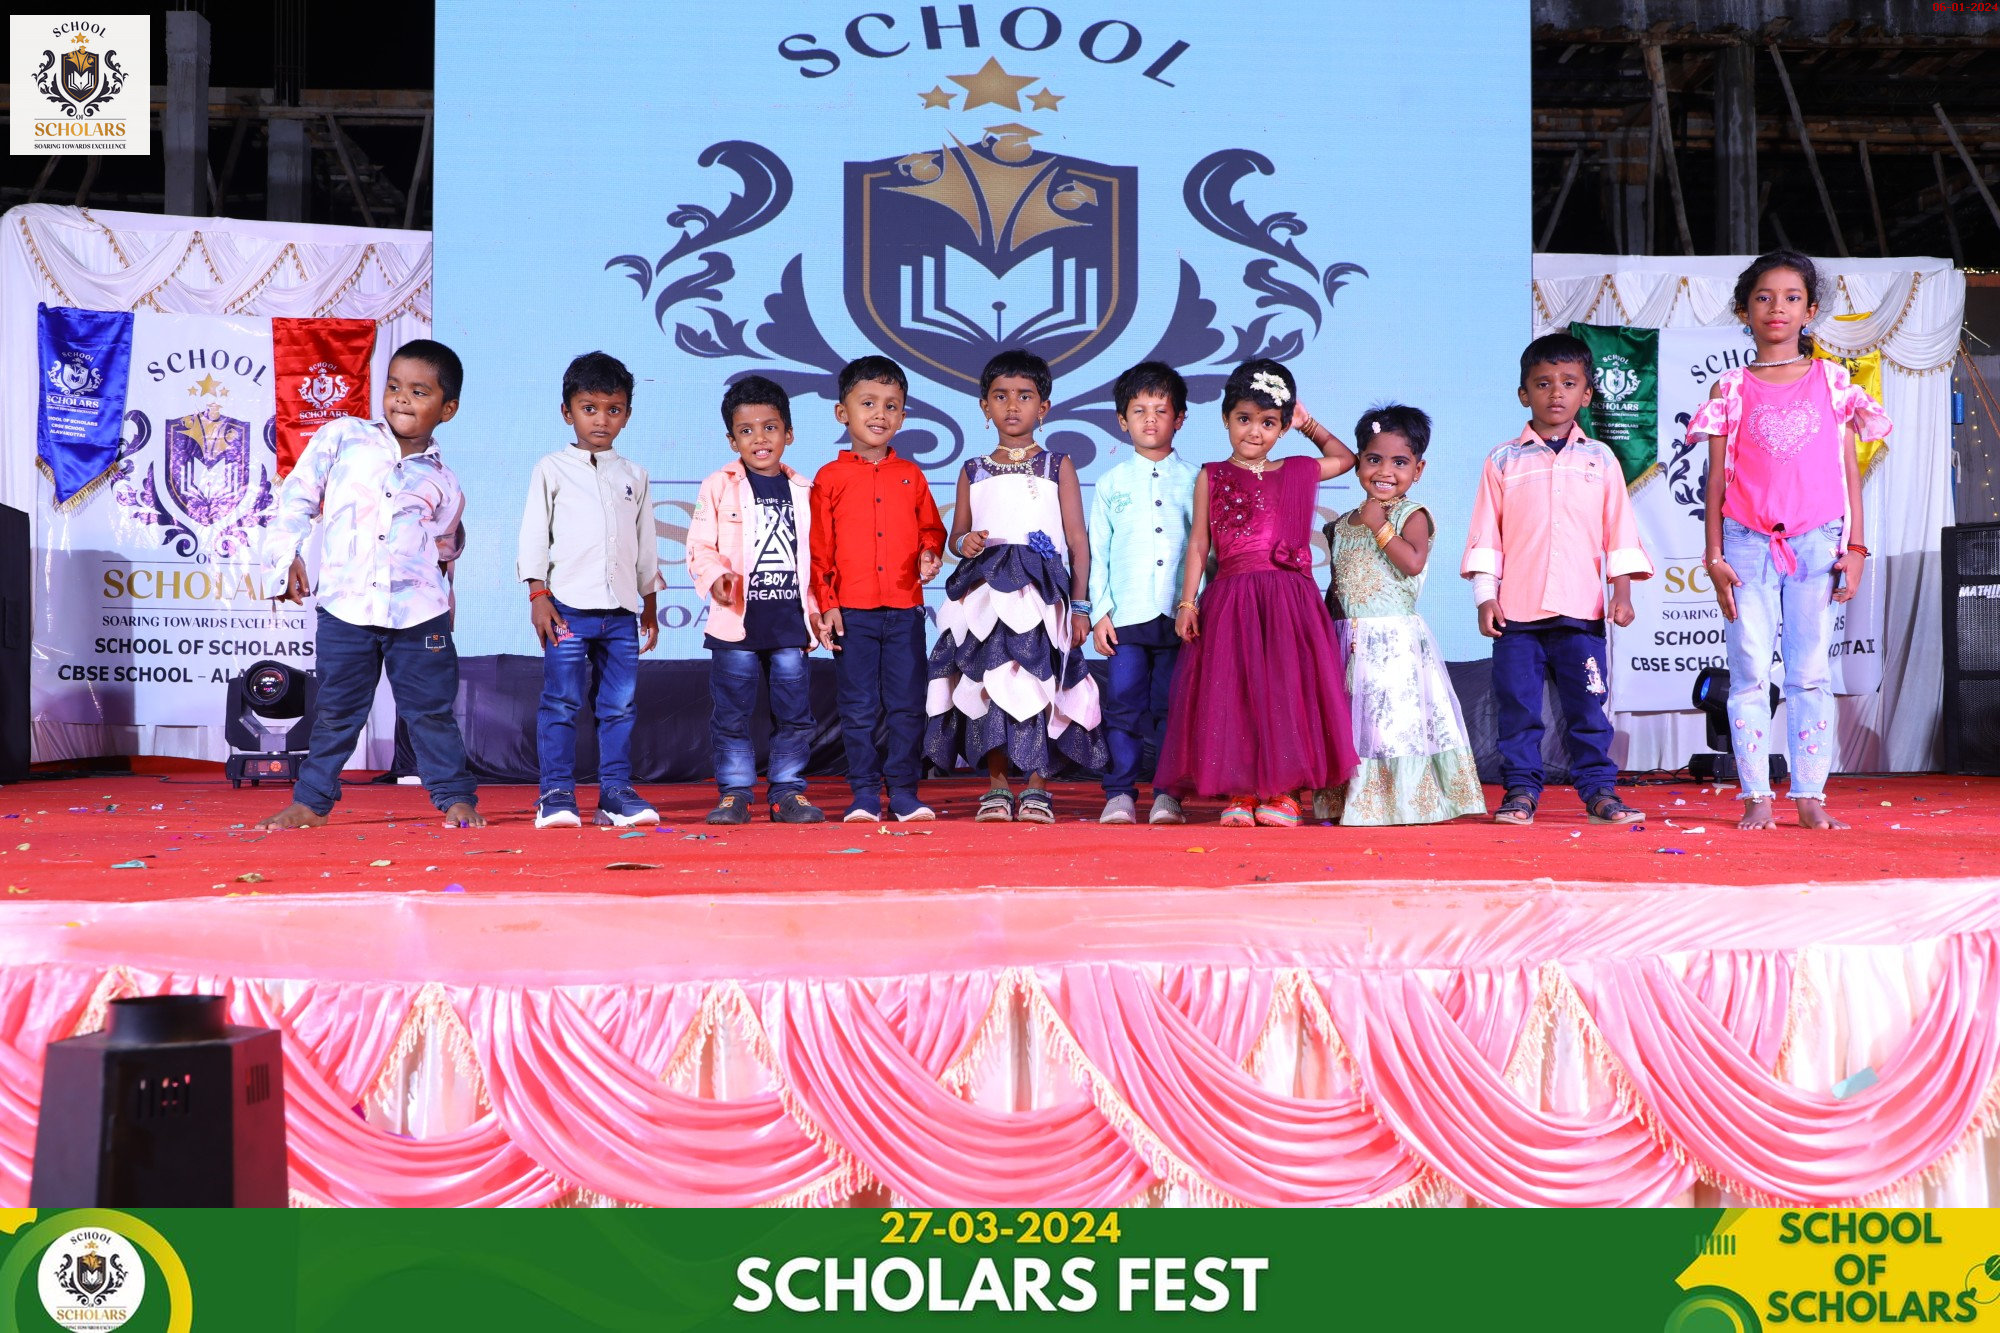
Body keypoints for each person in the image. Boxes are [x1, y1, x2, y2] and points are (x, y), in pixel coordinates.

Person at [1687, 250, 1890, 831]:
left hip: (1817, 542)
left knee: (1809, 671)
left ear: (1811, 310)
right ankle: (1756, 793)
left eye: (1791, 298)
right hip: (1746, 542)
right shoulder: (1731, 387)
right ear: (1743, 311)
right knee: (1749, 669)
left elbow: (1848, 472)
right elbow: (1716, 481)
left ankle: (1809, 793)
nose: (1777, 308)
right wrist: (1714, 555)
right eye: (1764, 297)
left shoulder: (1832, 380)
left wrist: (1855, 549)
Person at [253, 339, 482, 830]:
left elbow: (444, 548)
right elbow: (297, 497)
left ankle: (455, 798)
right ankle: (311, 802)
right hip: (346, 609)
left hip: (419, 615)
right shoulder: (344, 437)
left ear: (448, 409)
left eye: (419, 392)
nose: (401, 399)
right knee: (336, 711)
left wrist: (446, 607)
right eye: (394, 386)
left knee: (431, 712)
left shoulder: (444, 481)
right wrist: (286, 555)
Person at [1153, 358, 1359, 827]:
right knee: (1236, 694)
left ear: (1283, 428)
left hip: (1289, 603)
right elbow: (1199, 542)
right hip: (1232, 600)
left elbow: (1346, 458)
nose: (1254, 431)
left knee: (1288, 690)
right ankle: (1242, 791)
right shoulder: (1212, 474)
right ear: (1226, 418)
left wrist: (1308, 423)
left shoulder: (1298, 470)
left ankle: (1284, 793)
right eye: (1244, 419)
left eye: (1268, 423)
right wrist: (1187, 602)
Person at [1462, 333, 1653, 826]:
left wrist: (1622, 592)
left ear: (1586, 394)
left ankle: (1600, 791)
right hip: (1517, 615)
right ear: (1523, 393)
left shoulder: (1601, 459)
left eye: (1569, 383)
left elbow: (1618, 531)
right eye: (1543, 383)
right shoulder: (1503, 460)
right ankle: (1521, 792)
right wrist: (1486, 596)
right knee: (1518, 709)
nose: (1556, 393)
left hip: (1581, 611)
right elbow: (1486, 534)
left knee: (1588, 707)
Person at [927, 349, 1106, 823]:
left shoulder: (1057, 465)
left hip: (1041, 592)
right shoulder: (973, 469)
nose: (1012, 405)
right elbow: (956, 536)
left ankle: (1037, 789)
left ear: (1043, 407)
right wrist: (965, 543)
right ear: (984, 406)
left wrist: (1081, 606)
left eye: (1024, 396)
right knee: (989, 685)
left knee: (1039, 683)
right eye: (1001, 396)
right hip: (986, 594)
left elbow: (1077, 540)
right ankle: (997, 786)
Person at [517, 351, 661, 829]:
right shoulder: (551, 469)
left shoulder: (634, 475)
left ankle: (615, 794)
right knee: (561, 702)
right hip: (566, 611)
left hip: (621, 613)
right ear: (568, 412)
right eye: (589, 408)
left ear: (627, 414)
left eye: (613, 409)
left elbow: (644, 545)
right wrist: (538, 595)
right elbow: (534, 535)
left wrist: (649, 603)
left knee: (619, 706)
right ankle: (555, 794)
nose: (601, 420)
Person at [1323, 406, 1485, 825]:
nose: (1385, 472)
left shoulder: (1411, 514)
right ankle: (1358, 801)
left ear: (1419, 469)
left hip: (1393, 643)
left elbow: (1412, 563)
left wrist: (1380, 525)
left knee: (1392, 722)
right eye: (1374, 459)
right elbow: (1337, 587)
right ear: (1358, 461)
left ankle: (1407, 801)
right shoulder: (1341, 525)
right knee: (1355, 721)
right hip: (1347, 641)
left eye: (1399, 462)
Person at [810, 356, 946, 822]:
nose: (880, 414)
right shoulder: (829, 478)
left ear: (903, 416)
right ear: (842, 412)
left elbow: (931, 529)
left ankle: (904, 791)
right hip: (853, 611)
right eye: (867, 403)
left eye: (891, 406)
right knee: (858, 706)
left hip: (905, 609)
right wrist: (828, 604)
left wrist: (930, 552)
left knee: (907, 704)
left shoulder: (911, 475)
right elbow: (819, 551)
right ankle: (865, 792)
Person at [688, 375, 825, 825]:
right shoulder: (718, 485)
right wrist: (716, 577)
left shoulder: (805, 491)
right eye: (746, 431)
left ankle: (787, 792)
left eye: (770, 428)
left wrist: (816, 614)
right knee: (732, 716)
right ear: (732, 440)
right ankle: (735, 793)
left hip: (789, 626)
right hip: (736, 627)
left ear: (789, 433)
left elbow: (815, 560)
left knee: (795, 716)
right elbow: (699, 546)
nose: (759, 439)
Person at [1087, 360, 1197, 825]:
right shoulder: (1111, 483)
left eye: (1161, 410)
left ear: (1180, 418)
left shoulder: (1197, 480)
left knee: (1173, 708)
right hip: (1127, 615)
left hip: (1180, 616)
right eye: (1139, 410)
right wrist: (1100, 613)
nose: (1150, 419)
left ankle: (1169, 794)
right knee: (1123, 706)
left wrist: (1199, 605)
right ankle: (1120, 793)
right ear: (1122, 420)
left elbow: (1205, 550)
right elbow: (1098, 553)